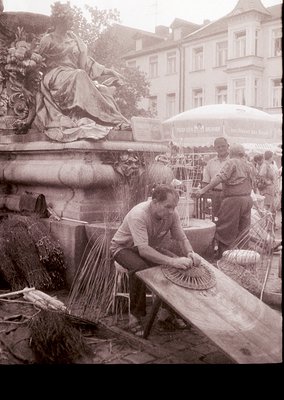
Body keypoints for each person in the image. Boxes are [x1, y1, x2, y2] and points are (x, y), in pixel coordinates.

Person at [110, 184, 201, 335]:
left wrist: (191, 253)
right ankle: (134, 317)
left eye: (174, 207)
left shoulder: (172, 214)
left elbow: (181, 238)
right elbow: (144, 251)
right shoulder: (139, 214)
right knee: (141, 268)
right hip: (122, 248)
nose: (171, 211)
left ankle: (165, 315)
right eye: (168, 206)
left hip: (145, 248)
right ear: (155, 202)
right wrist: (172, 261)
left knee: (178, 266)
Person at [33, 2, 131, 142]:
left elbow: (88, 63)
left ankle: (112, 120)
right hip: (55, 76)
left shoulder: (73, 39)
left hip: (73, 75)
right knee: (79, 75)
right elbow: (36, 62)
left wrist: (110, 71)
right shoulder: (48, 40)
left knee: (101, 89)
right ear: (61, 19)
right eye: (70, 19)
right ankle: (114, 119)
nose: (73, 21)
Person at [194, 144, 254, 258]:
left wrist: (203, 190)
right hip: (247, 199)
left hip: (233, 200)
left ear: (231, 152)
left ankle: (225, 256)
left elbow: (220, 177)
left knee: (225, 229)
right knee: (244, 230)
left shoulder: (231, 162)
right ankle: (244, 257)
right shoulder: (248, 165)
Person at [201, 137, 230, 220]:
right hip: (215, 196)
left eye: (223, 146)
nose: (221, 148)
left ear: (228, 146)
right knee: (215, 219)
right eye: (218, 147)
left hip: (229, 195)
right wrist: (207, 199)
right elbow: (205, 181)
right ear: (215, 148)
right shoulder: (210, 162)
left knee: (228, 220)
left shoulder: (232, 161)